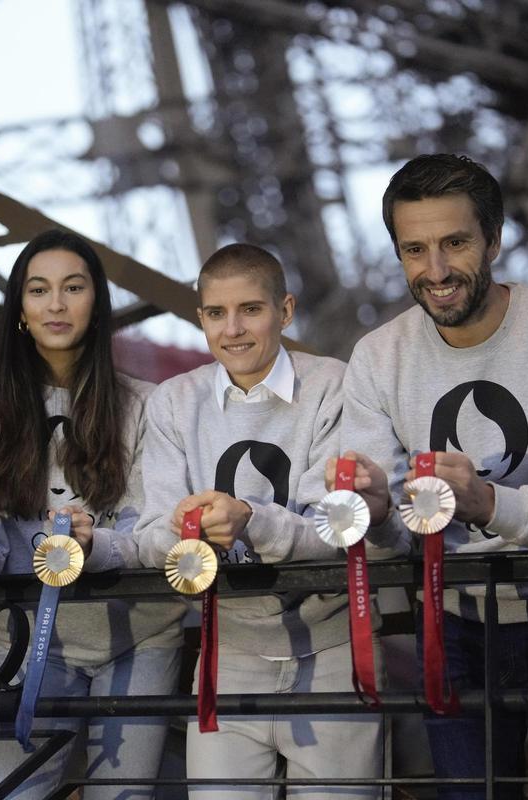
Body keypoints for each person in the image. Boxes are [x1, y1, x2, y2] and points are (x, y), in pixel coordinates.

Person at [338, 153, 528, 799]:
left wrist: (488, 503)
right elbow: (389, 538)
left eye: (455, 243)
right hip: (450, 629)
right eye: (414, 249)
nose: (436, 271)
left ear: (495, 240)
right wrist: (377, 512)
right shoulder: (375, 358)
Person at [135, 243, 407, 800]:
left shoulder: (334, 384)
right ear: (200, 318)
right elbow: (148, 539)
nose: (232, 329)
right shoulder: (171, 403)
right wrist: (182, 531)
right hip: (225, 653)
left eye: (250, 310)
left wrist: (250, 521)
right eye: (215, 313)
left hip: (335, 650)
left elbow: (341, 530)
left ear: (285, 310)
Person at [0, 229, 183, 799]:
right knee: (13, 794)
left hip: (139, 636)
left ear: (96, 303)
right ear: (19, 309)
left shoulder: (148, 403)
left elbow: (156, 534)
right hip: (24, 642)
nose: (56, 304)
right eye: (39, 289)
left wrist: (92, 542)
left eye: (73, 288)